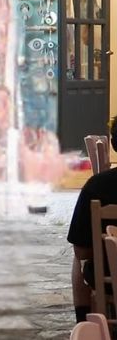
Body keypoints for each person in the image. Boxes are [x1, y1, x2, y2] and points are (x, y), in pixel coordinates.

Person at [68, 119, 117, 321]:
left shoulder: (97, 186)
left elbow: (81, 250)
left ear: (114, 144)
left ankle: (84, 322)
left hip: (111, 278)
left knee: (78, 258)